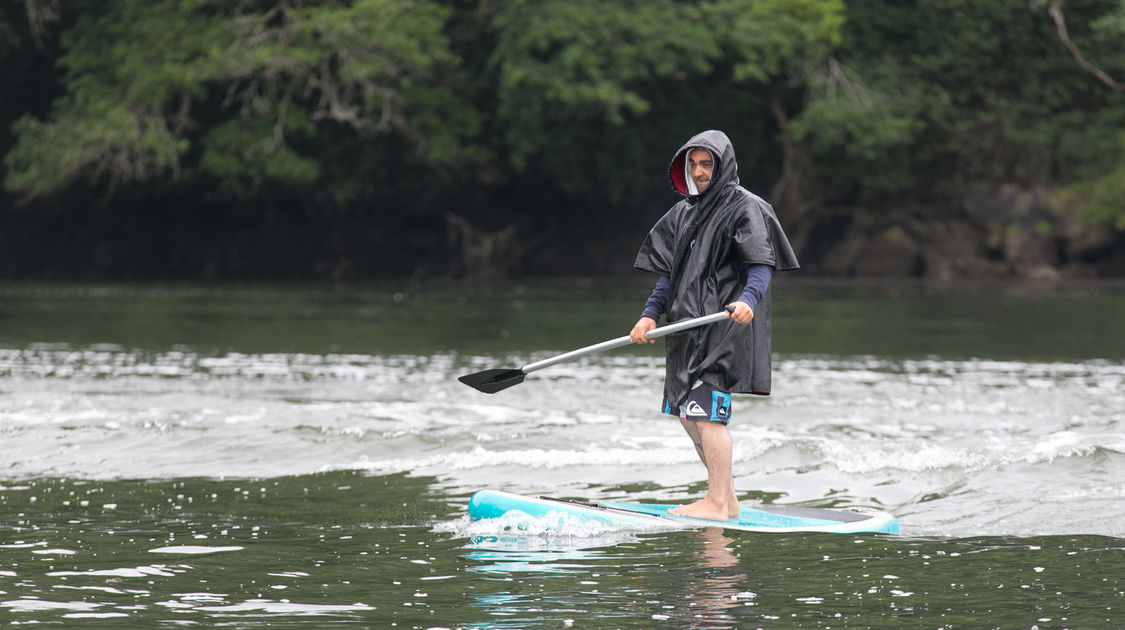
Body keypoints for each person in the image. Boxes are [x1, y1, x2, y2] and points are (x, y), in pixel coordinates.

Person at [629, 130, 799, 522]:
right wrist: (649, 314)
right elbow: (669, 276)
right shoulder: (683, 212)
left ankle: (716, 504)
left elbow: (760, 265)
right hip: (685, 329)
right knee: (688, 415)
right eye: (693, 164)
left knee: (707, 413)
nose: (699, 172)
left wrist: (747, 301)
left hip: (725, 326)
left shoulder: (745, 207)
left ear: (722, 166)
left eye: (707, 164)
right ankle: (729, 499)